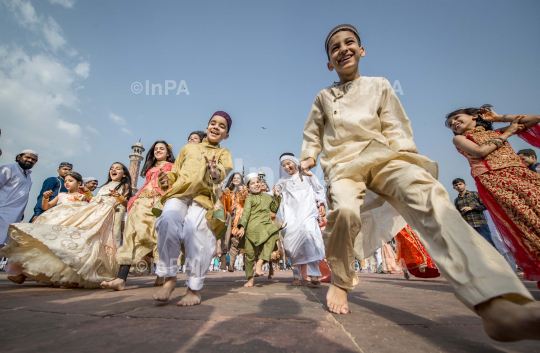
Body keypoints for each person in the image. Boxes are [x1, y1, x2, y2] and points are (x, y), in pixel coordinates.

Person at [298, 24, 540, 341]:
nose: (343, 49)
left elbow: (397, 127)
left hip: (386, 158)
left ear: (361, 50)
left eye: (350, 42)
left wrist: (408, 164)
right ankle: (342, 282)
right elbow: (312, 132)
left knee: (431, 199)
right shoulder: (324, 96)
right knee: (344, 214)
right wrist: (309, 156)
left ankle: (497, 305)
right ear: (330, 62)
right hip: (343, 167)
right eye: (335, 47)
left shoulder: (381, 86)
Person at [447, 105, 540, 288]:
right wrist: (508, 133)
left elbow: (534, 119)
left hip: (523, 176)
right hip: (496, 180)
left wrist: (497, 119)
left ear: (474, 116)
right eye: (451, 124)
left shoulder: (496, 131)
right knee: (529, 225)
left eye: (457, 118)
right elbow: (481, 152)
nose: (454, 124)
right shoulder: (460, 139)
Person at [0, 166, 131, 287]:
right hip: (58, 220)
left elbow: (93, 204)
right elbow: (46, 206)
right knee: (45, 244)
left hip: (77, 220)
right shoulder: (61, 195)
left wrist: (88, 195)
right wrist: (45, 199)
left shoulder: (83, 196)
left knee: (69, 247)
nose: (67, 183)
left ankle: (70, 277)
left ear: (79, 183)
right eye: (66, 181)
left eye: (70, 180)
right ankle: (24, 272)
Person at [152, 111, 233, 306]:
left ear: (226, 135)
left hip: (203, 198)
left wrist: (214, 172)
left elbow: (222, 171)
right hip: (179, 194)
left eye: (222, 126)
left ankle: (193, 288)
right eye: (213, 123)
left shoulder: (223, 153)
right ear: (206, 128)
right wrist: (166, 180)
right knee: (168, 219)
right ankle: (170, 279)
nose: (216, 127)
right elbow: (175, 174)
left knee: (194, 229)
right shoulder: (188, 148)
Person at [101, 141, 175, 291]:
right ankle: (121, 279)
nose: (158, 151)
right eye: (155, 149)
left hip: (158, 203)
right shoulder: (150, 168)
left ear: (168, 153)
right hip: (140, 202)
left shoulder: (173, 167)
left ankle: (161, 274)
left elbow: (173, 184)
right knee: (130, 236)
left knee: (157, 235)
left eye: (162, 149)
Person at [275, 153, 326, 286]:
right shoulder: (283, 181)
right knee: (292, 245)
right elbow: (274, 193)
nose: (286, 167)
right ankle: (296, 276)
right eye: (283, 165)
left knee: (311, 237)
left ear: (295, 162)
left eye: (288, 163)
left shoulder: (307, 175)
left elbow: (319, 189)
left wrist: (321, 204)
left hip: (307, 213)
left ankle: (314, 275)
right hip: (291, 217)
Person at [236, 173, 281, 287]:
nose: (256, 184)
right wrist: (241, 228)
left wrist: (276, 197)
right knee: (250, 255)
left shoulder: (267, 197)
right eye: (253, 183)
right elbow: (245, 215)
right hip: (252, 228)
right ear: (248, 187)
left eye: (257, 182)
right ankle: (250, 279)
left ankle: (260, 262)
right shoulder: (249, 199)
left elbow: (274, 209)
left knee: (274, 234)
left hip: (265, 226)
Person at [0, 150, 38, 246]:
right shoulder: (8, 169)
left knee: (5, 244)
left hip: (15, 215)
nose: (30, 160)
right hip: (2, 211)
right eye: (27, 157)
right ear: (18, 157)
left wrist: (21, 212)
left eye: (33, 159)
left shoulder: (28, 176)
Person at [451, 178, 496, 248]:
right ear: (454, 188)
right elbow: (458, 214)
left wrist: (471, 208)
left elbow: (485, 206)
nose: (459, 186)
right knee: (477, 248)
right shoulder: (457, 200)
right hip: (468, 227)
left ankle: (497, 259)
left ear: (464, 185)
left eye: (460, 184)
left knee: (489, 245)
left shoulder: (474, 194)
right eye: (456, 185)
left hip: (480, 224)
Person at [219, 172, 246, 272]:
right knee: (225, 235)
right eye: (234, 178)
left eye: (238, 178)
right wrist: (220, 187)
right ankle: (223, 256)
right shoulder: (227, 191)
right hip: (228, 216)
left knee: (235, 240)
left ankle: (231, 263)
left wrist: (244, 192)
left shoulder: (244, 190)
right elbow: (219, 200)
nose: (236, 179)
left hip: (239, 217)